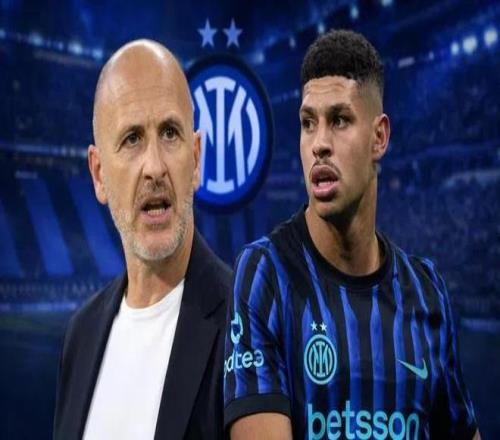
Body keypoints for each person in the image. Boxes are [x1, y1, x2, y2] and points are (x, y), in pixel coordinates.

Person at [223, 29, 480, 439]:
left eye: (339, 120)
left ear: (379, 137)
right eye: (308, 123)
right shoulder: (265, 275)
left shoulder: (427, 290)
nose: (319, 144)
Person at [53, 39, 231, 440]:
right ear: (99, 174)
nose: (154, 167)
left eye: (169, 133)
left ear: (196, 159)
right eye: (132, 139)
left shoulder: (248, 327)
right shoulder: (79, 337)